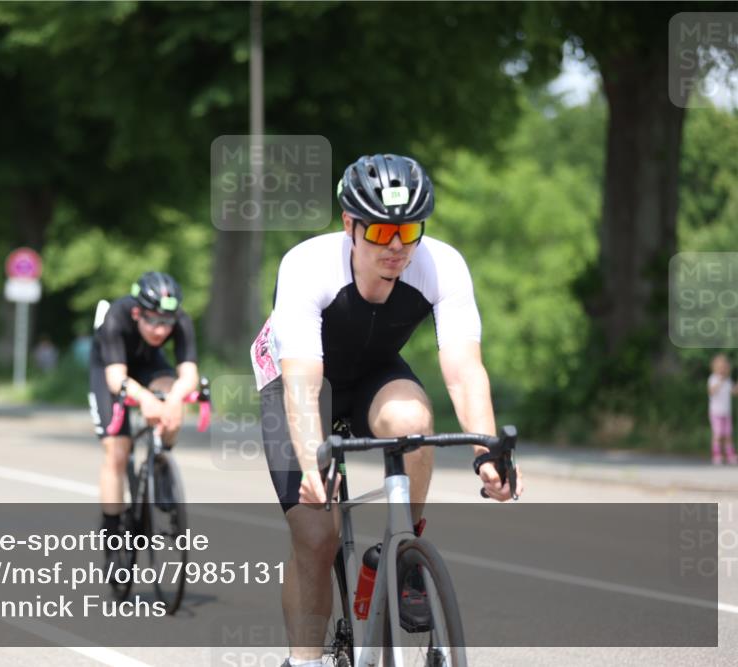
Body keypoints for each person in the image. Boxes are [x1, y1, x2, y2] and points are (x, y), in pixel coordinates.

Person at [251, 154, 524, 667]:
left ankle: (404, 553)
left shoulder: (442, 264)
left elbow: (464, 370)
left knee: (413, 423)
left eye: (409, 230)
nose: (397, 246)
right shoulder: (307, 266)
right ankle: (305, 661)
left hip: (373, 372)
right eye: (380, 232)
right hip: (299, 380)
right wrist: (312, 465)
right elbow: (303, 383)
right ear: (349, 224)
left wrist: (487, 451)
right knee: (317, 533)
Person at [88, 272, 200, 544]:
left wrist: (173, 400)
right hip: (110, 368)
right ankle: (112, 533)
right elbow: (116, 379)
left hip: (149, 364)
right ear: (137, 312)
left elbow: (189, 375)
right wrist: (145, 399)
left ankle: (161, 466)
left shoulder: (181, 319)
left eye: (167, 322)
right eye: (153, 321)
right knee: (117, 451)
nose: (161, 330)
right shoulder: (117, 316)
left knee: (173, 405)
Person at [708, 354, 738, 465]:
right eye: (720, 367)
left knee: (728, 435)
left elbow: (734, 392)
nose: (722, 369)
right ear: (715, 368)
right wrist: (720, 381)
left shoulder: (728, 380)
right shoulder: (713, 378)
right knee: (718, 434)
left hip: (726, 412)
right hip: (716, 412)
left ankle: (730, 455)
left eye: (724, 367)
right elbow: (711, 392)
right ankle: (717, 455)